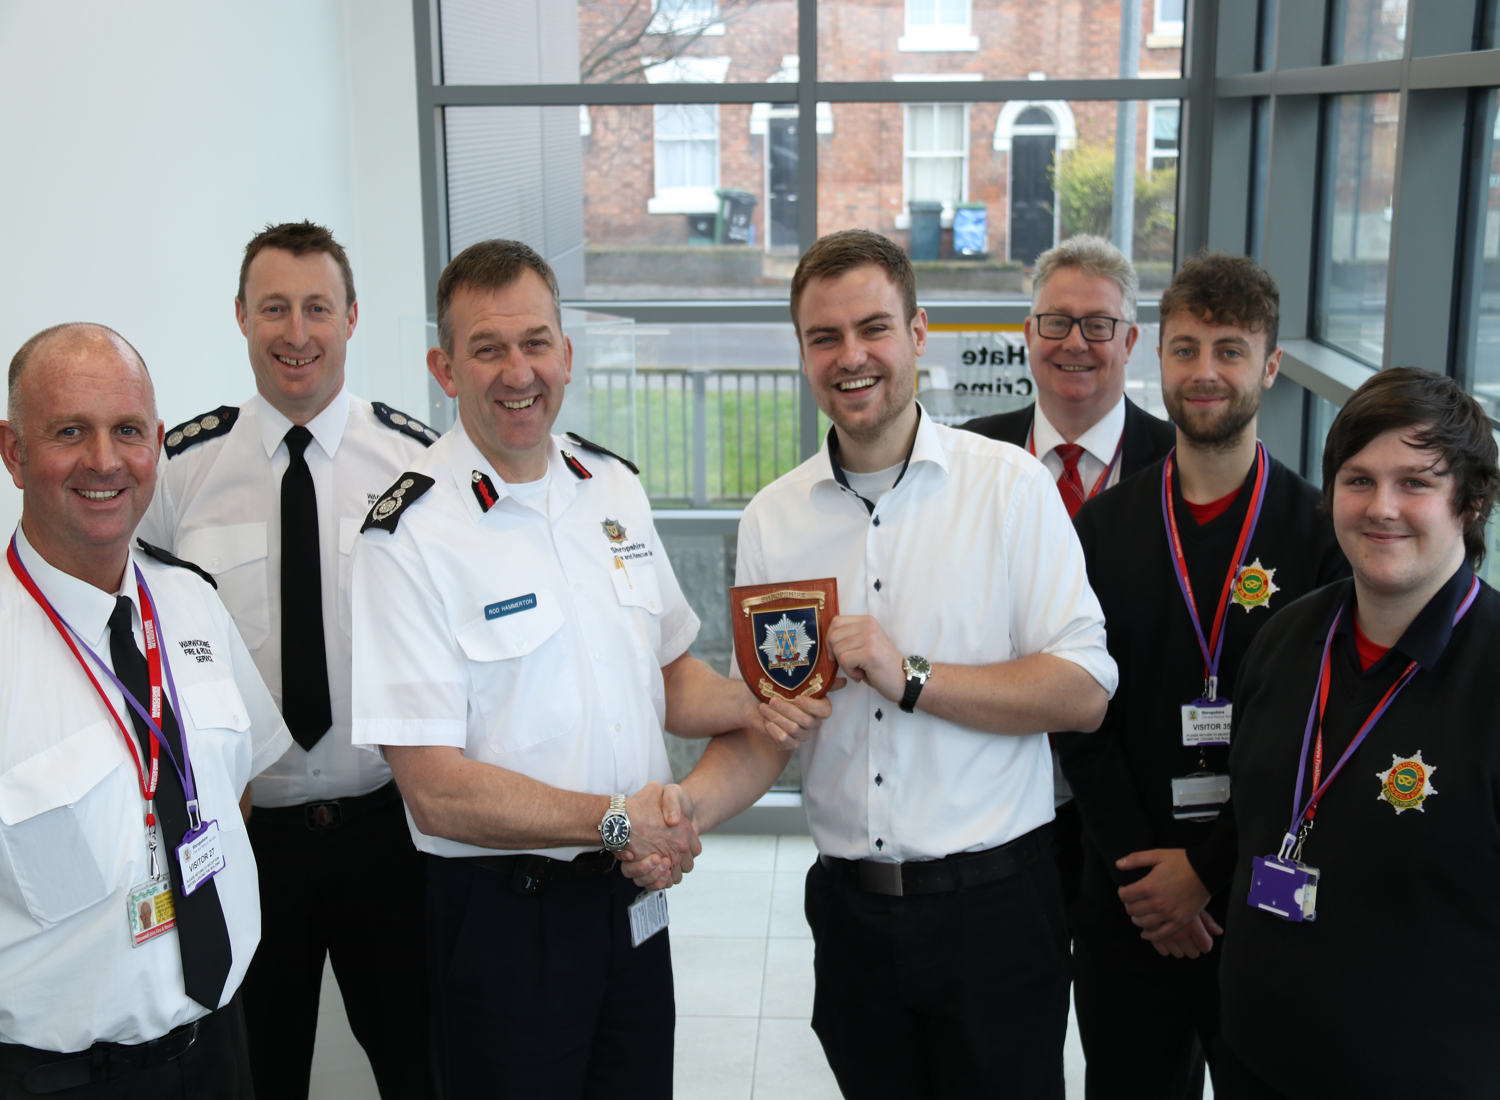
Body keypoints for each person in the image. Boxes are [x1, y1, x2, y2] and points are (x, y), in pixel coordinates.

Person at [624, 229, 1119, 1098]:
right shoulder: (774, 520)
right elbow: (775, 726)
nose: (851, 357)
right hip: (852, 913)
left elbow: (1082, 691)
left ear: (918, 333)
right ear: (804, 353)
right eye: (825, 337)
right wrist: (677, 813)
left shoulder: (1009, 489)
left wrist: (913, 675)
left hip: (995, 910)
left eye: (873, 329)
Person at [346, 239, 827, 1100]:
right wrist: (617, 822)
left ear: (566, 354)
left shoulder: (610, 487)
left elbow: (672, 679)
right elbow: (435, 791)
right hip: (505, 922)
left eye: (535, 342)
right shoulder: (406, 536)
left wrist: (768, 702)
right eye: (486, 348)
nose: (516, 371)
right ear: (443, 368)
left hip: (634, 903)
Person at [136, 221, 438, 1098]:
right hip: (243, 838)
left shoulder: (415, 464)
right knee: (255, 1072)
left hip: (389, 830)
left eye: (316, 308)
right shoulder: (180, 470)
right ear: (240, 316)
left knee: (420, 1065)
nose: (296, 332)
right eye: (274, 308)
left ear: (352, 319)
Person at [1057, 253, 1347, 1099]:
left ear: (1271, 364)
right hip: (1130, 896)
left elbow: (1320, 734)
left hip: (1263, 896)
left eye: (1230, 349)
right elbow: (1079, 714)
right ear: (1160, 360)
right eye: (1185, 349)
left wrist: (1206, 872)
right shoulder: (1103, 529)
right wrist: (1151, 878)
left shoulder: (1320, 535)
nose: (1206, 372)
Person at [1183, 368, 1500, 1098]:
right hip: (1256, 1059)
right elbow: (1257, 810)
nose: (1381, 508)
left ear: (1472, 500)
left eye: (1415, 483)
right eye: (1359, 480)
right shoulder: (1289, 636)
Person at [0, 323, 291, 1097]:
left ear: (157, 444)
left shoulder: (192, 603)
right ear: (13, 451)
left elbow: (237, 793)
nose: (104, 460)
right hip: (59, 1076)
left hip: (219, 1044)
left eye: (127, 431)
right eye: (69, 431)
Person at [962, 234, 1176, 907]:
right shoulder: (969, 457)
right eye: (1056, 321)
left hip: (1139, 806)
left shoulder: (1179, 466)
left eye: (1099, 324)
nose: (1074, 342)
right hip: (999, 794)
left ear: (1132, 341)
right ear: (1029, 333)